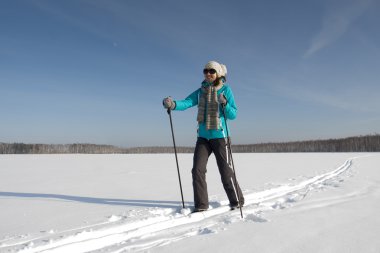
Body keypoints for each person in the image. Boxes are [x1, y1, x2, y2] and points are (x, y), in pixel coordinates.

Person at [163, 60, 244, 212]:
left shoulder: (226, 90)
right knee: (197, 170)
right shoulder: (201, 91)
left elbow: (233, 115)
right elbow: (187, 102)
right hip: (203, 138)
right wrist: (173, 104)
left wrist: (225, 104)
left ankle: (237, 201)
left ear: (218, 73)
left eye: (211, 71)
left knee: (225, 172)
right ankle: (201, 205)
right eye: (205, 71)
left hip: (220, 136)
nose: (208, 74)